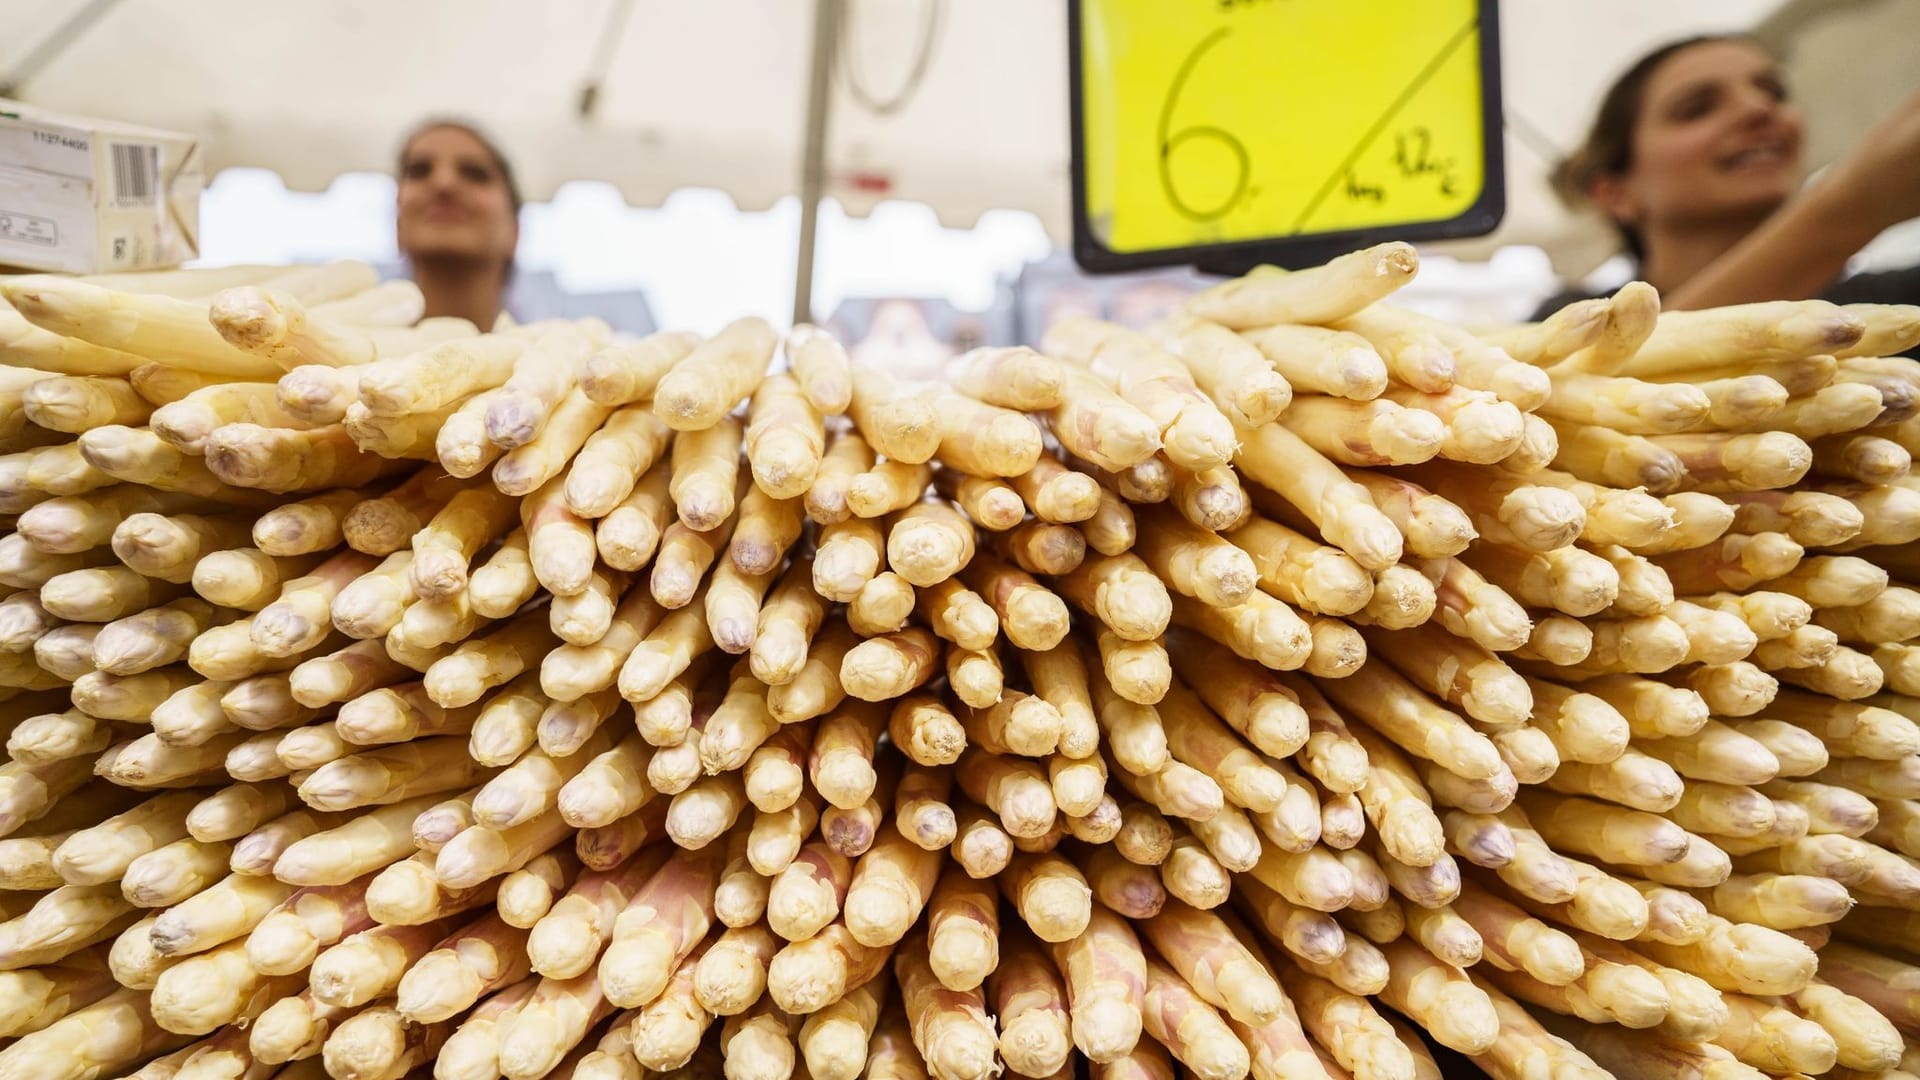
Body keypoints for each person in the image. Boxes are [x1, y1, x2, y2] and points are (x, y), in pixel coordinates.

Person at [1535, 34, 1920, 319]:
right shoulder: (1570, 321)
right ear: (1615, 193)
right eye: (1696, 109)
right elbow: (1596, 391)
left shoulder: (1898, 303)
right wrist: (1845, 211)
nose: (1759, 109)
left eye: (1773, 91)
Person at [395, 119, 522, 329]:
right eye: (419, 170)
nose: (444, 183)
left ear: (516, 230)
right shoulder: (334, 356)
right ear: (398, 225)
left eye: (475, 173)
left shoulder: (573, 356)